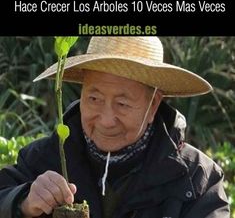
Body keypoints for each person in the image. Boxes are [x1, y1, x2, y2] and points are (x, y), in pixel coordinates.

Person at [0, 37, 230, 218]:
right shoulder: (42, 159)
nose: (106, 120)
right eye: (94, 99)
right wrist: (22, 202)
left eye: (122, 104)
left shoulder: (199, 178)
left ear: (153, 105)